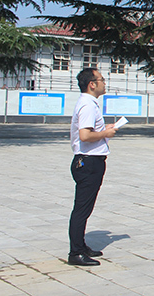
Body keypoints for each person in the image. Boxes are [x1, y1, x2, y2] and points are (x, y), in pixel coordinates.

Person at [68, 68, 119, 267]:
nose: (104, 83)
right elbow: (85, 136)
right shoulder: (88, 105)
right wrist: (106, 134)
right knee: (82, 208)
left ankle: (81, 245)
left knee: (85, 207)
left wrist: (104, 130)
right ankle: (76, 252)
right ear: (92, 84)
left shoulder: (89, 104)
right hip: (88, 162)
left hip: (91, 161)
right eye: (102, 80)